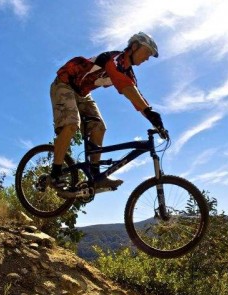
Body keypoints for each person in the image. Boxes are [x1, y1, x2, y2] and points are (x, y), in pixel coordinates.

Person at [49, 32, 166, 191]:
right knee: (71, 124)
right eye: (147, 53)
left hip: (82, 93)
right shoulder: (115, 59)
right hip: (64, 83)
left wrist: (155, 121)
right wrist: (149, 111)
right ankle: (55, 174)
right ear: (134, 47)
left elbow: (135, 96)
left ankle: (95, 176)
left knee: (99, 128)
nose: (147, 58)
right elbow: (126, 86)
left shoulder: (128, 73)